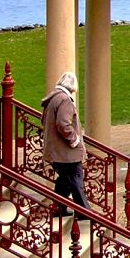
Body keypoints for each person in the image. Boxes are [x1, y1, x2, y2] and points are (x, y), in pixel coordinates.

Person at [40, 70, 90, 218]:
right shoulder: (64, 100)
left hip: (55, 150)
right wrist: (75, 140)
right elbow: (64, 124)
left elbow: (45, 121)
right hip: (66, 152)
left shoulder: (52, 99)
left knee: (64, 181)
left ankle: (59, 208)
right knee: (76, 179)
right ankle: (84, 212)